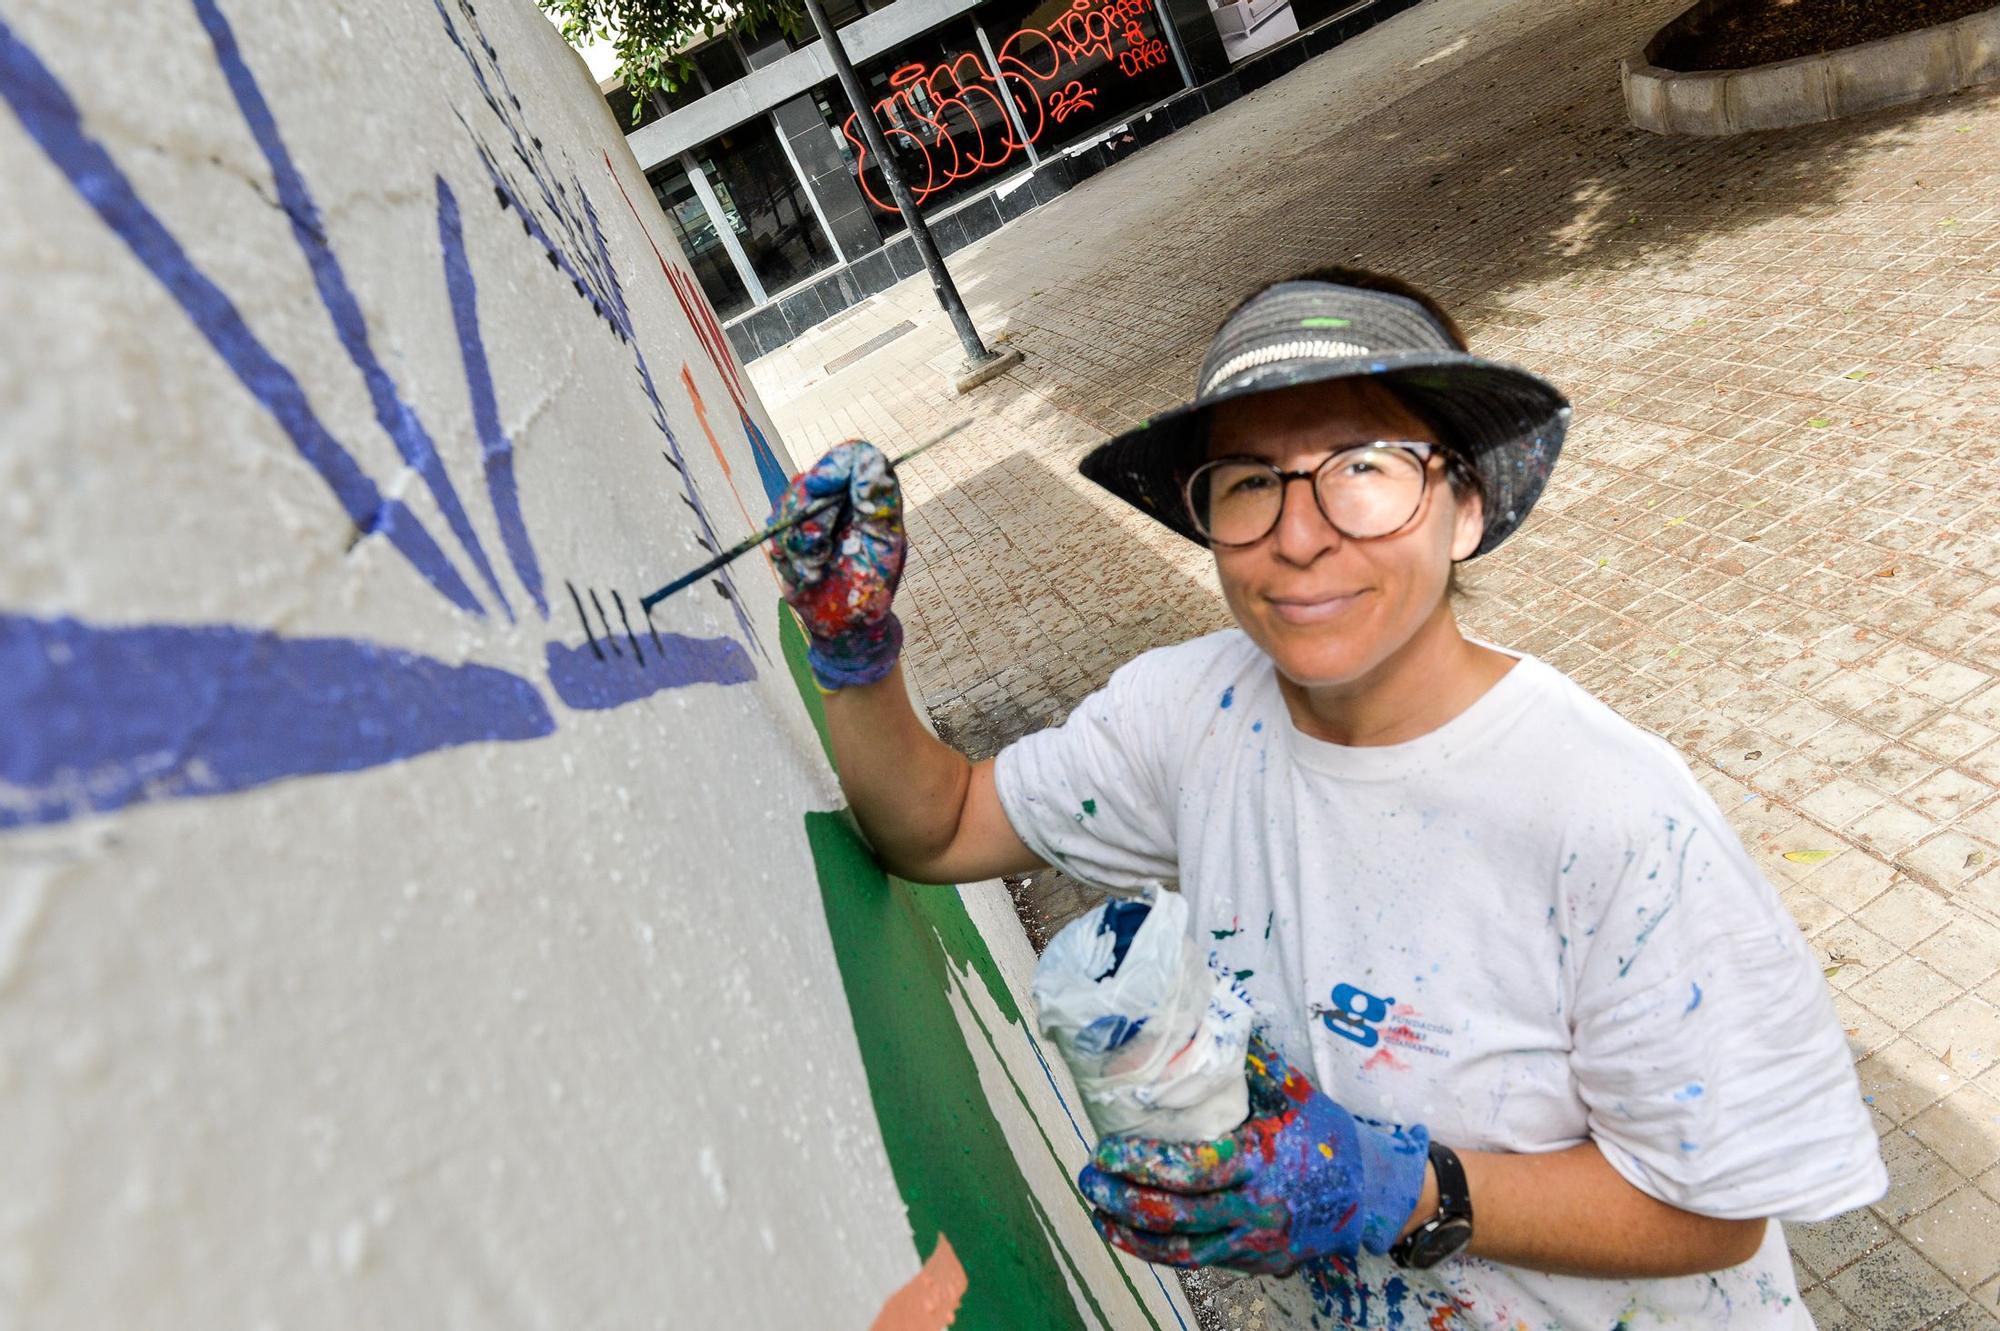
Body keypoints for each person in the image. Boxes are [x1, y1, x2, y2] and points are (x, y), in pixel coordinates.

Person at [769, 269, 1886, 1328]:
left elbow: (1714, 1213)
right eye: (1250, 481)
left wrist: (1392, 1185)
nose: (1299, 536)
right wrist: (854, 650)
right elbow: (942, 822)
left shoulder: (1611, 815)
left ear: (1462, 507)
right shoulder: (1188, 717)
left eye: (1363, 465)